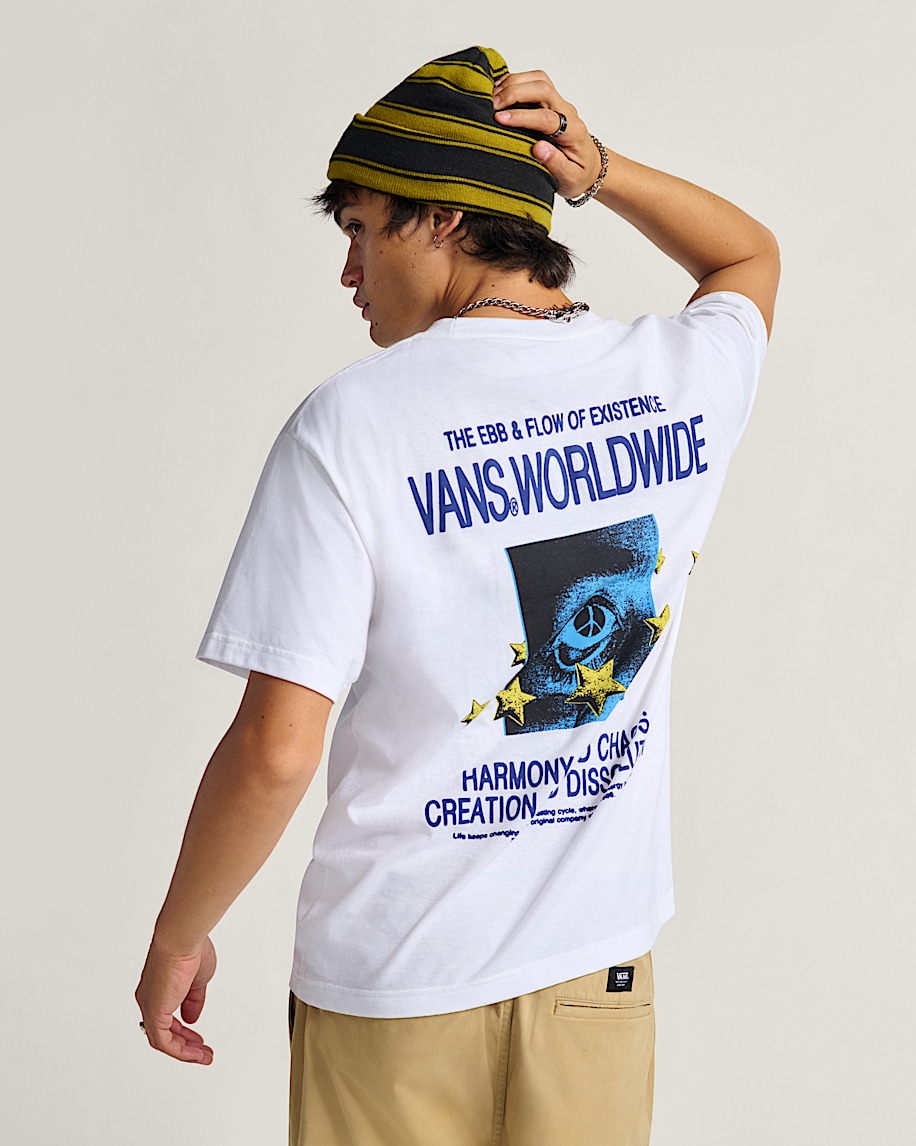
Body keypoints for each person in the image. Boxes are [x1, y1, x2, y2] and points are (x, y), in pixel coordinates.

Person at [136, 45, 779, 1146]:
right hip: (595, 974)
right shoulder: (672, 379)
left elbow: (277, 750)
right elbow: (748, 254)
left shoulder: (352, 426)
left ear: (440, 219)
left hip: (397, 980)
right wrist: (598, 170)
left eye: (360, 229)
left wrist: (176, 936)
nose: (349, 273)